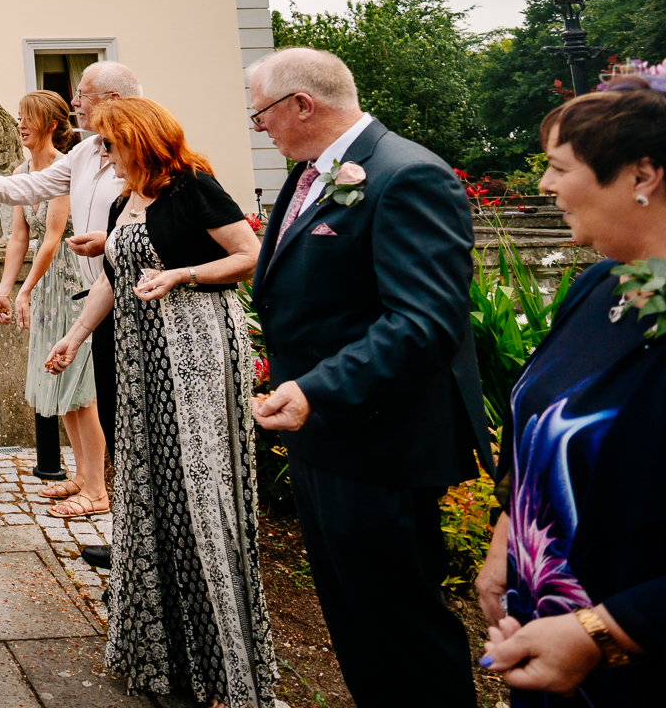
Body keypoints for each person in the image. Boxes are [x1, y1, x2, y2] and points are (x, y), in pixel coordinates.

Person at [247, 47, 490, 707]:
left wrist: (315, 387)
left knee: (401, 628)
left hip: (380, 443)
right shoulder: (312, 175)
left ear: (303, 104)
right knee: (357, 624)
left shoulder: (407, 175)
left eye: (261, 113)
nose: (258, 126)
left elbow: (424, 322)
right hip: (324, 437)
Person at [43, 97, 272, 705]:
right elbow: (113, 283)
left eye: (111, 149)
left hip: (194, 353)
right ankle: (162, 646)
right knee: (148, 486)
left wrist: (183, 274)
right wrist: (72, 337)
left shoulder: (194, 186)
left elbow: (248, 257)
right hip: (141, 361)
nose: (107, 161)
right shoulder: (126, 201)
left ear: (139, 142)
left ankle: (217, 648)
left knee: (194, 487)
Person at [476, 87, 661, 700]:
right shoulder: (598, 286)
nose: (547, 187)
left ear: (643, 174)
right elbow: (535, 421)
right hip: (544, 633)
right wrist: (507, 542)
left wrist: (600, 633)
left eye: (558, 167)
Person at [0, 59, 138, 570]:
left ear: (112, 99)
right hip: (97, 299)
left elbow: (158, 223)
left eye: (83, 94)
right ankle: (118, 523)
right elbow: (29, 189)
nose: (75, 104)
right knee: (99, 405)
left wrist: (110, 244)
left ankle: (123, 526)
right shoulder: (89, 152)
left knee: (116, 415)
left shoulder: (145, 153)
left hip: (131, 301)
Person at [0, 91, 105, 518]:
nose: (20, 125)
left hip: (74, 284)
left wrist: (25, 290)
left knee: (81, 391)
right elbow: (20, 237)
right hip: (46, 288)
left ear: (51, 124)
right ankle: (81, 474)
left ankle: (97, 487)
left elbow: (53, 238)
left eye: (28, 118)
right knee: (61, 390)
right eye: (19, 117)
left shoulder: (65, 166)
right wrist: (6, 287)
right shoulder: (24, 171)